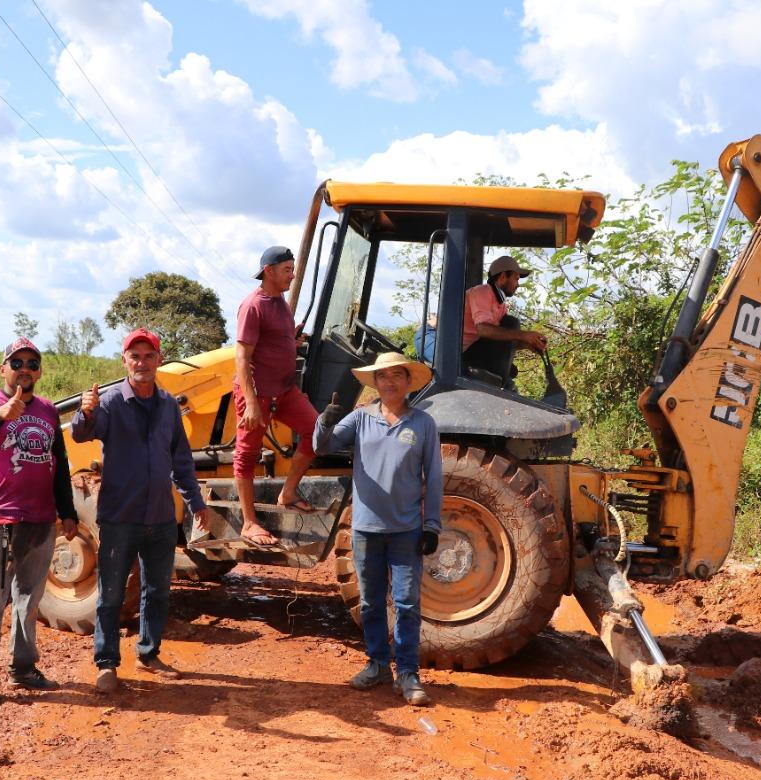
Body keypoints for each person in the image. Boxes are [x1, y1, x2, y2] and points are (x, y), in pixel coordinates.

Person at [71, 327, 209, 693]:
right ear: (125, 361)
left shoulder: (167, 405)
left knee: (158, 590)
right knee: (111, 593)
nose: (142, 362)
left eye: (149, 356)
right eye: (135, 356)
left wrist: (196, 502)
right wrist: (85, 413)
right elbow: (83, 433)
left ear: (159, 360)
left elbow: (181, 460)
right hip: (120, 516)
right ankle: (106, 664)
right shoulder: (112, 403)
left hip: (161, 517)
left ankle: (148, 654)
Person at [314, 351, 443, 706]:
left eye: (396, 376)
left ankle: (408, 672)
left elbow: (433, 479)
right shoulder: (359, 419)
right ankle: (377, 665)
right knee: (371, 602)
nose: (389, 382)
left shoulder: (422, 424)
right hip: (366, 529)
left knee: (407, 603)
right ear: (375, 382)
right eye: (382, 376)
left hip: (407, 530)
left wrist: (431, 525)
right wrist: (324, 422)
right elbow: (322, 447)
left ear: (407, 382)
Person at [0, 337, 78, 708]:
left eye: (32, 363)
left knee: (29, 599)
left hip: (39, 519)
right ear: (3, 369)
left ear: (39, 371)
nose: (24, 368)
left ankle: (23, 668)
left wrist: (68, 511)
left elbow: (59, 464)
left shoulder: (46, 410)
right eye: (17, 362)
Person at [233, 245, 321, 547]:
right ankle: (249, 523)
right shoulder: (253, 305)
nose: (292, 275)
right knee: (247, 455)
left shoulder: (280, 301)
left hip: (285, 391)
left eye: (292, 269)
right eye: (287, 269)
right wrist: (252, 402)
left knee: (318, 431)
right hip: (257, 394)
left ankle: (288, 493)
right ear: (268, 271)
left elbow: (273, 341)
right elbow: (242, 358)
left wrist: (291, 339)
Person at [461, 255, 548, 380]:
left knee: (510, 326)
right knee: (512, 323)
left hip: (469, 348)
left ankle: (498, 380)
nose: (518, 285)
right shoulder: (482, 292)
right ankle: (496, 380)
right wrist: (523, 335)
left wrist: (527, 344)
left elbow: (500, 340)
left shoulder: (501, 306)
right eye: (516, 279)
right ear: (502, 277)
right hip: (442, 343)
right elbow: (483, 330)